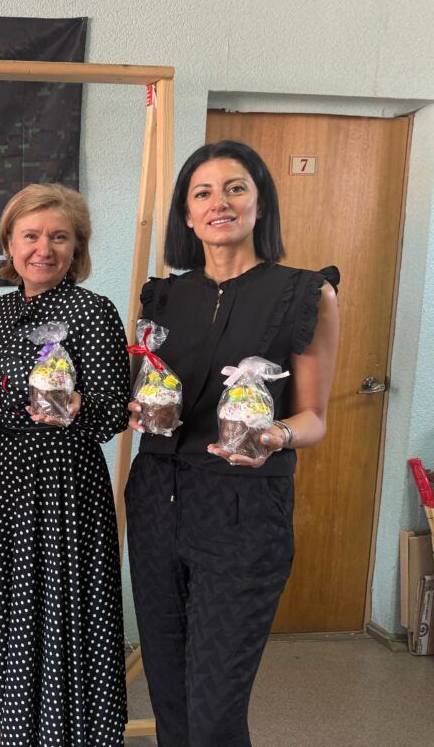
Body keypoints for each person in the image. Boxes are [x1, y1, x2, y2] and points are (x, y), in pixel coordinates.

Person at [124, 140, 340, 746]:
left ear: (260, 203)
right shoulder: (163, 298)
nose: (219, 202)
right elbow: (142, 392)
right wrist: (128, 407)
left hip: (244, 511)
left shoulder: (305, 293)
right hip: (156, 502)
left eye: (235, 188)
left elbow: (315, 417)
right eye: (203, 193)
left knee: (215, 710)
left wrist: (276, 434)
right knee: (170, 698)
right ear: (187, 216)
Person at [0, 183, 131, 745]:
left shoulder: (93, 312)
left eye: (59, 237)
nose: (43, 249)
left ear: (78, 247)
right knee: (11, 616)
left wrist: (76, 408)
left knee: (54, 614)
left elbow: (113, 412)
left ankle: (60, 730)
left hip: (61, 488)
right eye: (30, 235)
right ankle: (19, 728)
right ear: (9, 243)